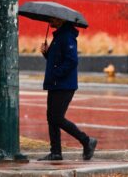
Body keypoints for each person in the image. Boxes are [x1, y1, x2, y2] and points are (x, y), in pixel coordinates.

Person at [38, 17, 97, 161]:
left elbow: (72, 61)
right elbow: (57, 60)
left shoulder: (67, 36)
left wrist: (56, 74)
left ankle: (86, 140)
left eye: (53, 18)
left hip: (64, 85)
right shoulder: (59, 36)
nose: (49, 21)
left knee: (56, 117)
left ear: (61, 20)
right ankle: (56, 152)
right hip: (56, 84)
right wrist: (47, 53)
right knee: (51, 118)